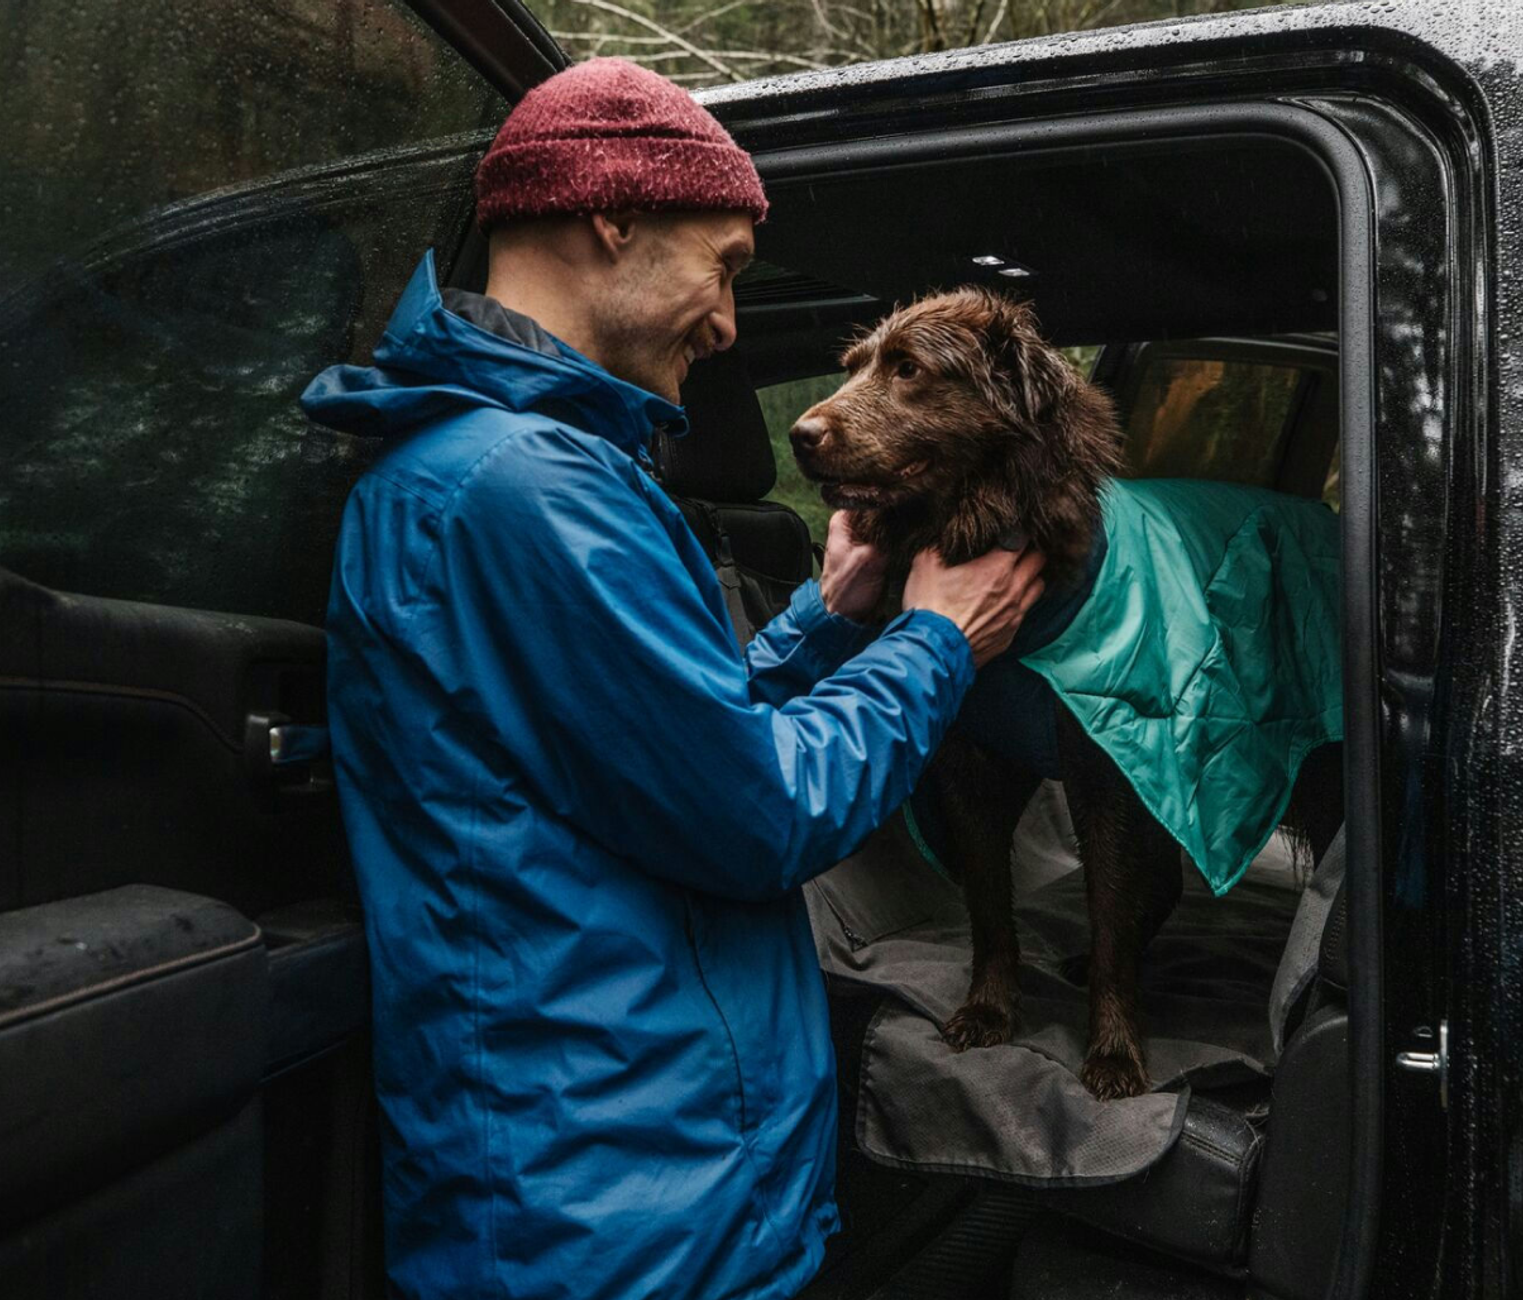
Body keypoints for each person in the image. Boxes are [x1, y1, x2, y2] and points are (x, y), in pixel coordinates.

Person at [300, 57, 1045, 1300]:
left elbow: (657, 746)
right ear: (612, 214)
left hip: (647, 1171)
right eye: (726, 264)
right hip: (608, 1206)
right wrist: (935, 643)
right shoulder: (522, 488)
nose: (730, 323)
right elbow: (756, 815)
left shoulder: (524, 471)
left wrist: (824, 620)